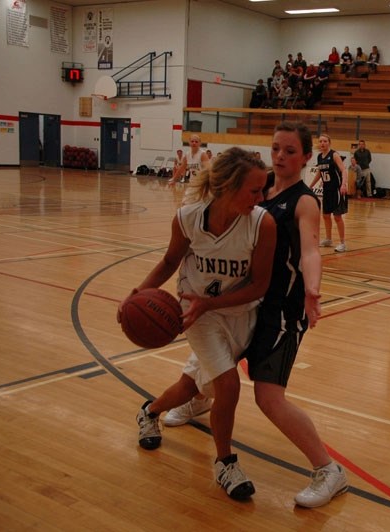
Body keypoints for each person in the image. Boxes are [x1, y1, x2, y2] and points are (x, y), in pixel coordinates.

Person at [156, 123, 350, 508]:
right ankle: (199, 401)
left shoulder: (303, 201)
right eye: (276, 148)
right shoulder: (259, 192)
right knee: (208, 367)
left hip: (281, 308)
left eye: (291, 151)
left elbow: (311, 250)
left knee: (268, 397)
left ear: (307, 157)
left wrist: (313, 289)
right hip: (242, 300)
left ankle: (329, 470)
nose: (281, 156)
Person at [130, 147, 278, 501]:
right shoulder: (188, 218)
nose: (261, 198)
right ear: (227, 186)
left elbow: (259, 285)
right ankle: (226, 463)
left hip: (240, 313)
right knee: (227, 386)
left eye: (264, 190)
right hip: (196, 314)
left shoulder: (262, 222)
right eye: (254, 191)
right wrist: (137, 293)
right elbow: (169, 261)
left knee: (192, 386)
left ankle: (148, 412)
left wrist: (212, 302)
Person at [309, 134, 348, 252]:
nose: (322, 143)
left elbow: (344, 170)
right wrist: (310, 186)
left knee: (337, 216)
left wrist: (343, 184)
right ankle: (328, 239)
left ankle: (342, 243)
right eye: (320, 141)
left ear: (329, 142)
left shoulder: (334, 155)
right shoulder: (320, 157)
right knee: (325, 215)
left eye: (325, 141)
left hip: (336, 189)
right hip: (326, 189)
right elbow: (320, 172)